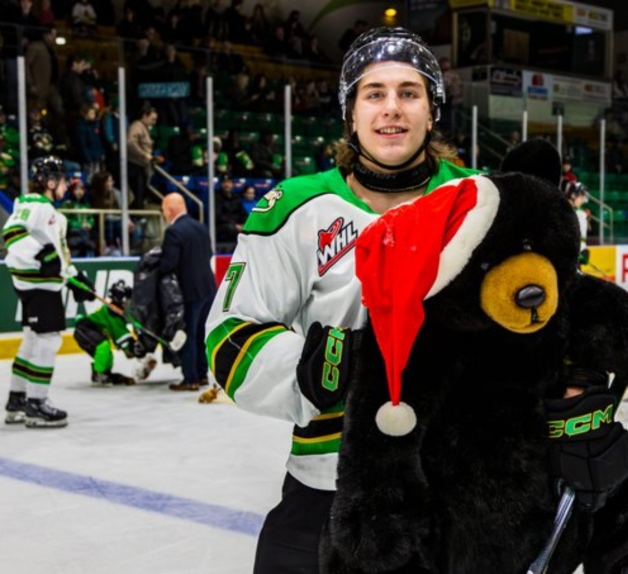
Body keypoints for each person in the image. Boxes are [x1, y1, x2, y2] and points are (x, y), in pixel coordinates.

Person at [204, 27, 476, 572]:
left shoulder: (481, 202)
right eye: (373, 93)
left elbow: (536, 325)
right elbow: (229, 333)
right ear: (350, 113)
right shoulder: (296, 206)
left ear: (433, 110)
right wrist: (307, 370)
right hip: (327, 482)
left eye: (409, 92)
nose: (391, 109)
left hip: (453, 485)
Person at [1, 156, 95, 428]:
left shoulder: (48, 211)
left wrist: (76, 279)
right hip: (40, 288)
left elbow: (56, 255)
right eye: (64, 180)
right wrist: (42, 259)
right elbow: (13, 234)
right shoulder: (36, 204)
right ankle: (36, 404)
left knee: (31, 341)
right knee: (48, 340)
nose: (66, 186)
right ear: (51, 182)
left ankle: (16, 400)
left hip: (35, 285)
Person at [159, 193, 215, 391]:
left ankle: (190, 378)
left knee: (188, 334)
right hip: (208, 288)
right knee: (200, 334)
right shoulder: (201, 227)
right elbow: (209, 254)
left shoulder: (174, 232)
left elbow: (168, 264)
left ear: (170, 209)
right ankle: (201, 375)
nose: (164, 213)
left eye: (164, 209)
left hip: (189, 292)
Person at [73, 280, 152, 385]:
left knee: (108, 356)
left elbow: (125, 342)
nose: (128, 303)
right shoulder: (112, 314)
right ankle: (98, 374)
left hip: (90, 331)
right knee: (103, 346)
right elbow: (124, 340)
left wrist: (134, 349)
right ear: (120, 299)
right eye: (127, 300)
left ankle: (104, 373)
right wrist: (137, 351)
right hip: (84, 329)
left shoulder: (117, 314)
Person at [127, 106, 159, 209]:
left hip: (141, 165)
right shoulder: (137, 126)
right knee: (139, 194)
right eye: (152, 119)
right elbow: (131, 142)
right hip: (134, 164)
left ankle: (135, 217)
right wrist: (143, 154)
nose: (153, 122)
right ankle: (134, 217)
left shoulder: (144, 128)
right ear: (145, 116)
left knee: (142, 193)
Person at [566, 181, 591, 266]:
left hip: (574, 255)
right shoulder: (564, 212)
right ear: (573, 195)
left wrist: (582, 248)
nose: (583, 200)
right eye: (581, 197)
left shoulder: (580, 213)